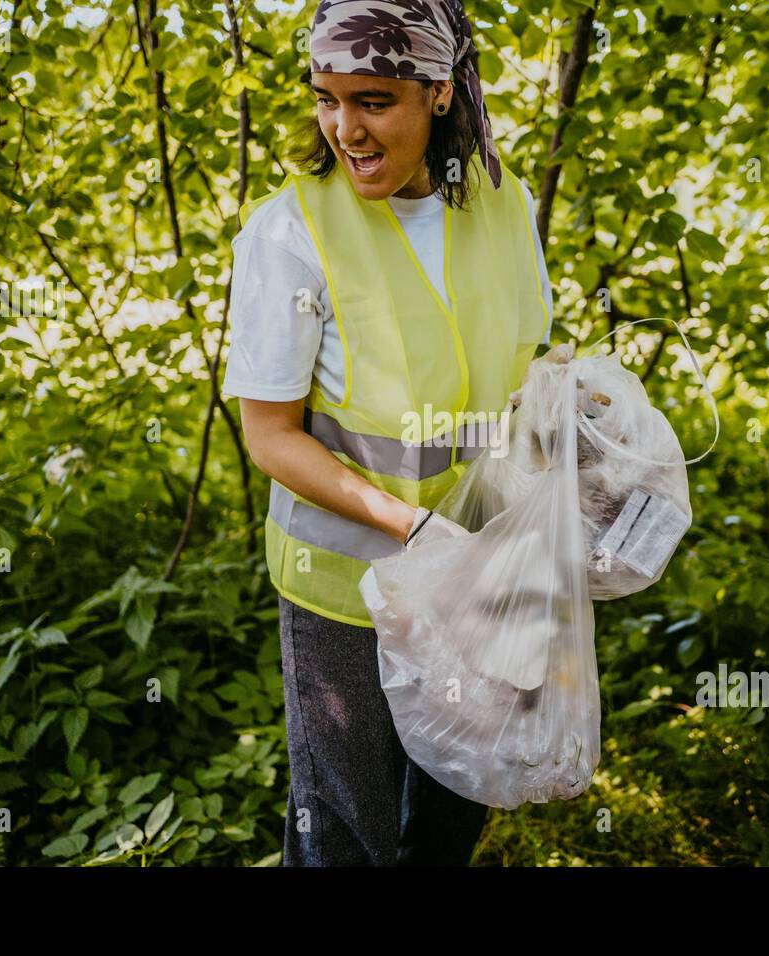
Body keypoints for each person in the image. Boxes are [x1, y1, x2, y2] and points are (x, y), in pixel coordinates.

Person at [221, 0, 569, 866]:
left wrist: (581, 422)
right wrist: (407, 525)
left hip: (480, 573)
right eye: (326, 99)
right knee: (347, 831)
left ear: (440, 93)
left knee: (455, 805)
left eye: (372, 100)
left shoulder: (500, 203)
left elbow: (525, 368)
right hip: (345, 587)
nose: (347, 129)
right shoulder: (291, 232)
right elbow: (269, 436)